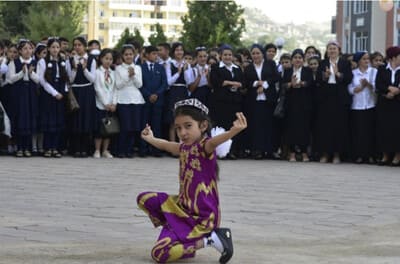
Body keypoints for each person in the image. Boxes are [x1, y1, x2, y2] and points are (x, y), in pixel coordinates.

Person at [137, 98, 246, 264]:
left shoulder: (205, 147)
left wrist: (233, 132)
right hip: (182, 208)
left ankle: (211, 240)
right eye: (178, 128)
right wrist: (150, 138)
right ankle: (178, 233)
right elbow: (166, 144)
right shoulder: (183, 148)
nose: (182, 133)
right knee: (144, 199)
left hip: (201, 217)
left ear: (202, 126)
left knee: (159, 254)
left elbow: (215, 141)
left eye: (188, 126)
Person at [314, 40, 353, 163]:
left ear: (339, 50)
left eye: (334, 48)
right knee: (325, 126)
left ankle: (337, 154)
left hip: (340, 97)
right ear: (327, 51)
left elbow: (348, 78)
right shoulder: (323, 63)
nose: (332, 51)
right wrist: (325, 76)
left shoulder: (345, 63)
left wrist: (338, 74)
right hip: (326, 97)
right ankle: (325, 154)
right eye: (330, 48)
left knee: (339, 126)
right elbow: (318, 80)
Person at [243, 44, 280, 159]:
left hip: (268, 99)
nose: (255, 55)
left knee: (269, 125)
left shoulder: (270, 64)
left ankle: (269, 150)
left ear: (262, 53)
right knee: (256, 125)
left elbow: (275, 77)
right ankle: (257, 150)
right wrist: (256, 83)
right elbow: (246, 82)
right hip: (254, 100)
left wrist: (264, 85)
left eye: (258, 53)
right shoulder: (248, 68)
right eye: (253, 53)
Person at [210, 44, 245, 159]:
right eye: (225, 55)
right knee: (222, 126)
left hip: (235, 102)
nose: (227, 57)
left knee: (233, 126)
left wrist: (236, 84)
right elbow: (216, 81)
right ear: (221, 56)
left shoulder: (237, 68)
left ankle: (232, 151)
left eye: (229, 55)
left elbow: (243, 82)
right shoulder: (216, 67)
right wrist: (231, 83)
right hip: (221, 102)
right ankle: (220, 151)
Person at [7, 39, 40, 157]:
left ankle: (28, 148)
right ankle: (19, 147)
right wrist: (22, 73)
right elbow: (10, 79)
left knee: (30, 119)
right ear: (20, 51)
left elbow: (39, 80)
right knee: (20, 119)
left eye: (30, 48)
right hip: (19, 94)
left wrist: (31, 73)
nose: (28, 51)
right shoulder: (14, 63)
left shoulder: (35, 62)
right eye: (25, 49)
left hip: (31, 93)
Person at [37, 37, 68, 158]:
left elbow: (66, 77)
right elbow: (42, 81)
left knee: (58, 121)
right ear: (48, 48)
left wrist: (63, 92)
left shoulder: (62, 61)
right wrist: (54, 93)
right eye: (53, 47)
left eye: (57, 47)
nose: (55, 50)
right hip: (49, 94)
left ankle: (55, 147)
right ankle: (47, 147)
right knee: (48, 121)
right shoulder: (43, 62)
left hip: (60, 93)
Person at [66, 36, 97, 157]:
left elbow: (93, 79)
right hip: (75, 91)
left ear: (85, 46)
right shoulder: (70, 60)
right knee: (76, 120)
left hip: (87, 91)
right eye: (75, 45)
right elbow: (70, 79)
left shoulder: (91, 60)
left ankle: (85, 149)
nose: (77, 47)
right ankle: (75, 149)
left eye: (79, 45)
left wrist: (84, 69)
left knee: (86, 120)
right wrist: (74, 69)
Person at [281, 49, 313, 162]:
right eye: (295, 58)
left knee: (304, 128)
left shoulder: (307, 70)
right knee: (291, 128)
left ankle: (304, 153)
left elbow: (311, 84)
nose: (297, 60)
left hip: (304, 103)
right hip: (291, 103)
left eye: (300, 58)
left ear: (303, 59)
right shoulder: (288, 71)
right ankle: (292, 153)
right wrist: (290, 84)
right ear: (292, 60)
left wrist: (303, 83)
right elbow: (283, 85)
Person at [348, 51, 377, 164]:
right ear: (359, 61)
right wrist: (357, 89)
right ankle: (359, 155)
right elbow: (349, 88)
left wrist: (368, 84)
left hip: (370, 105)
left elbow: (377, 87)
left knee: (370, 131)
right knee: (359, 132)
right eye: (364, 59)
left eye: (367, 59)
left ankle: (370, 155)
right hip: (357, 106)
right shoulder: (353, 73)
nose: (366, 61)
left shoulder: (373, 71)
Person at [115, 44, 143, 158]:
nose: (128, 56)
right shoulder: (118, 68)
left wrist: (133, 76)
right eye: (126, 54)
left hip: (136, 99)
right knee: (124, 127)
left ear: (134, 55)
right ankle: (121, 150)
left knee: (134, 127)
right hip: (123, 99)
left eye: (130, 54)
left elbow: (140, 84)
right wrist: (128, 76)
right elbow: (118, 85)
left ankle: (130, 150)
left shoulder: (138, 68)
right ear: (122, 56)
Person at [140, 45, 168, 157]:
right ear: (146, 54)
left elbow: (164, 83)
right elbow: (139, 84)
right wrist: (148, 95)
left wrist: (157, 94)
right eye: (153, 54)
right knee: (145, 125)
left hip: (158, 100)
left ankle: (156, 149)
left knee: (156, 125)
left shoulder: (160, 68)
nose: (155, 56)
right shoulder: (140, 68)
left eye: (156, 54)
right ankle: (143, 149)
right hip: (145, 100)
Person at [375, 46, 400, 166]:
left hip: (398, 104)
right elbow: (378, 85)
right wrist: (389, 90)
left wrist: (397, 90)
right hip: (385, 103)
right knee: (384, 129)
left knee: (397, 130)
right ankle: (385, 155)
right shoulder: (382, 69)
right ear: (393, 57)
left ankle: (397, 155)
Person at [93, 48, 117, 158]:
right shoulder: (98, 72)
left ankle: (105, 150)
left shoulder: (113, 73)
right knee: (99, 129)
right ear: (101, 59)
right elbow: (97, 88)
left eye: (110, 59)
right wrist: (105, 103)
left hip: (111, 105)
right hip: (101, 104)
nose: (108, 61)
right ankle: (97, 150)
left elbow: (115, 89)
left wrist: (114, 103)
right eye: (106, 58)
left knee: (109, 129)